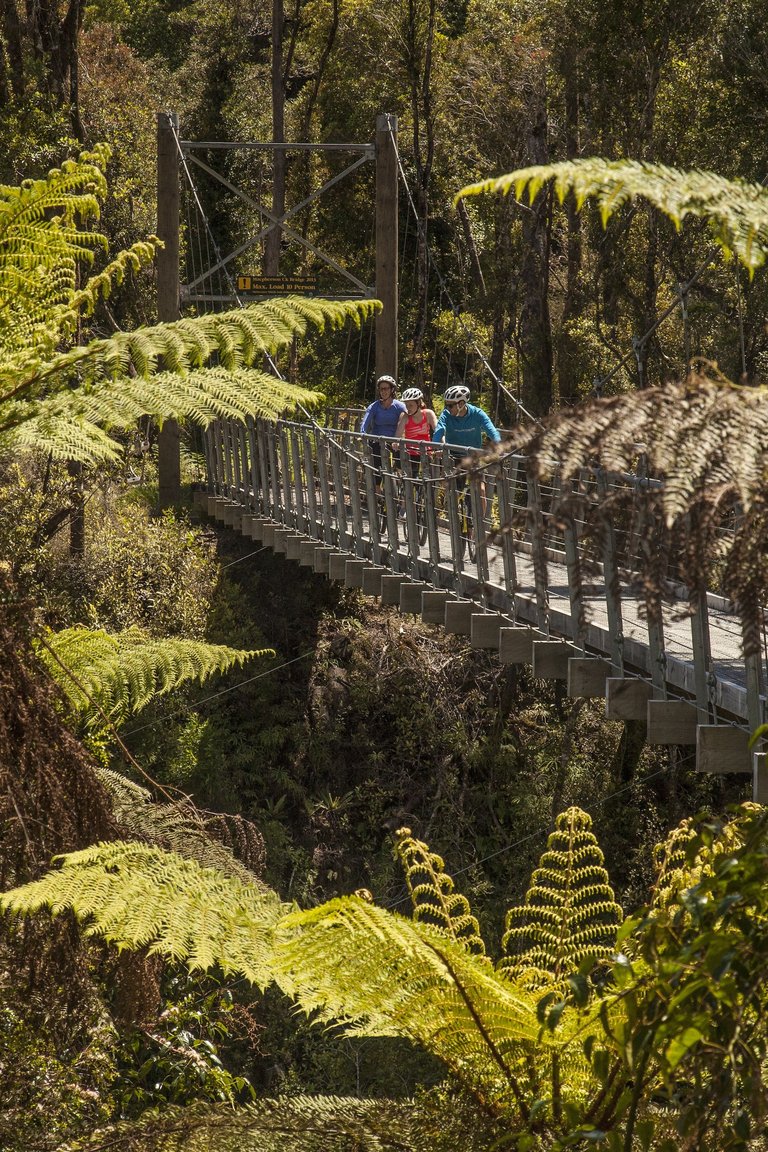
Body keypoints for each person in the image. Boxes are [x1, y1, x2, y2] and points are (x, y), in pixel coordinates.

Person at [431, 384, 501, 521]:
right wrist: (436, 447)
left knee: (480, 489)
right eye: (447, 405)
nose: (447, 408)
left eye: (450, 405)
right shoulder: (446, 415)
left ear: (461, 404)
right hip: (454, 457)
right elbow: (439, 430)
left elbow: (491, 430)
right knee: (454, 490)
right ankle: (454, 518)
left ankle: (479, 524)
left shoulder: (477, 413)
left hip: (473, 457)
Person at [360, 374, 406, 489]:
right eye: (381, 389)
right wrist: (362, 434)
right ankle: (377, 490)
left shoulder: (399, 406)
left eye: (386, 388)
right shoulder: (374, 406)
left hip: (393, 439)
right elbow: (366, 421)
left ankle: (401, 483)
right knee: (377, 462)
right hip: (377, 439)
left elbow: (406, 419)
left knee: (401, 456)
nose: (383, 391)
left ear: (392, 390)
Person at [395, 387, 437, 475]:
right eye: (406, 405)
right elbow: (398, 434)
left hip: (426, 451)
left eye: (410, 405)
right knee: (411, 478)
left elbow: (437, 430)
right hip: (411, 452)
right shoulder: (405, 416)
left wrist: (440, 444)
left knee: (430, 478)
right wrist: (396, 442)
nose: (408, 408)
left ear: (418, 403)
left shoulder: (428, 413)